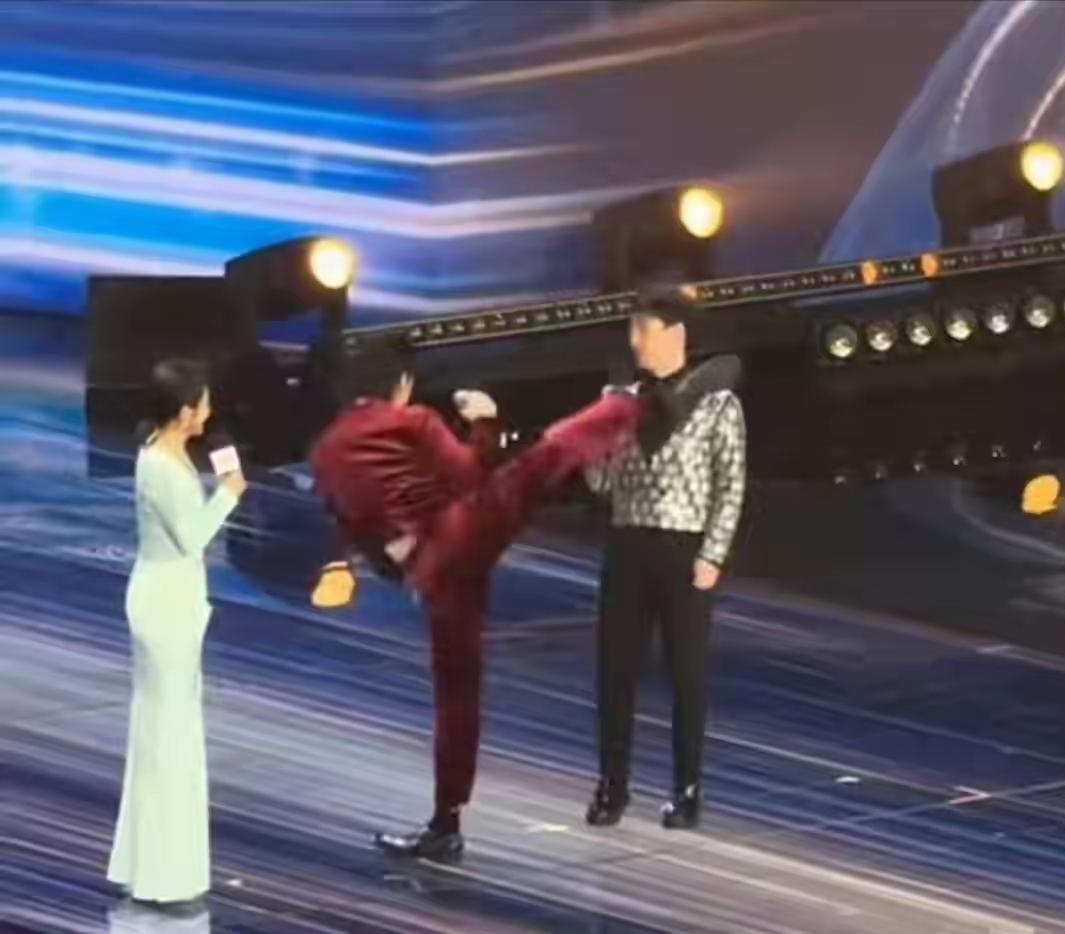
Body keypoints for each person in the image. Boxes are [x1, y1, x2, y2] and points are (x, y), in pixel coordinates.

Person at [309, 339, 639, 862]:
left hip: (428, 572)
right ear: (402, 385)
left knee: (456, 696)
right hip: (461, 535)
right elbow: (470, 474)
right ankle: (625, 405)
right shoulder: (414, 421)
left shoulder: (325, 451)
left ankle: (447, 823)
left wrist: (396, 566)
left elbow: (350, 522)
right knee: (537, 463)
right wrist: (483, 422)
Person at [584, 287, 746, 831]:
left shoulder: (717, 404)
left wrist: (713, 554)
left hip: (684, 549)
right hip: (627, 544)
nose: (634, 342)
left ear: (673, 334)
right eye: (632, 330)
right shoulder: (624, 401)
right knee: (615, 672)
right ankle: (612, 785)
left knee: (685, 676)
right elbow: (599, 482)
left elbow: (730, 484)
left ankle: (687, 790)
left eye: (643, 330)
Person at [108, 359, 248, 910]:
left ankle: (149, 864)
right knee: (168, 736)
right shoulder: (162, 466)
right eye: (204, 404)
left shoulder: (161, 452)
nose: (209, 413)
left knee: (162, 732)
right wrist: (229, 492)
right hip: (165, 606)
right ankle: (163, 875)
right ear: (185, 410)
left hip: (168, 598)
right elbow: (192, 536)